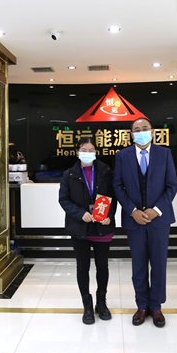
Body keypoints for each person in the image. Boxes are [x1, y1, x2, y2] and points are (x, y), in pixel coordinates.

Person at [113, 118, 177, 328]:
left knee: (159, 264)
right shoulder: (122, 156)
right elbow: (117, 186)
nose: (141, 132)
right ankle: (141, 306)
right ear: (131, 134)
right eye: (137, 130)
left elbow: (171, 186)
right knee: (138, 264)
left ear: (152, 131)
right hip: (134, 221)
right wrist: (132, 211)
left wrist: (156, 210)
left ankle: (156, 306)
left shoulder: (164, 154)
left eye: (145, 129)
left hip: (159, 220)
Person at [58, 137, 117, 324]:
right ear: (77, 152)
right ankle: (87, 305)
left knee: (102, 266)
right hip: (80, 227)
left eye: (91, 150)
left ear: (96, 152)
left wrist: (110, 215)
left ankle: (101, 302)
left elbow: (114, 196)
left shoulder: (106, 171)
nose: (87, 153)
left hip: (101, 226)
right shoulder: (69, 174)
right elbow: (64, 200)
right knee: (83, 267)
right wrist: (80, 213)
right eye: (84, 150)